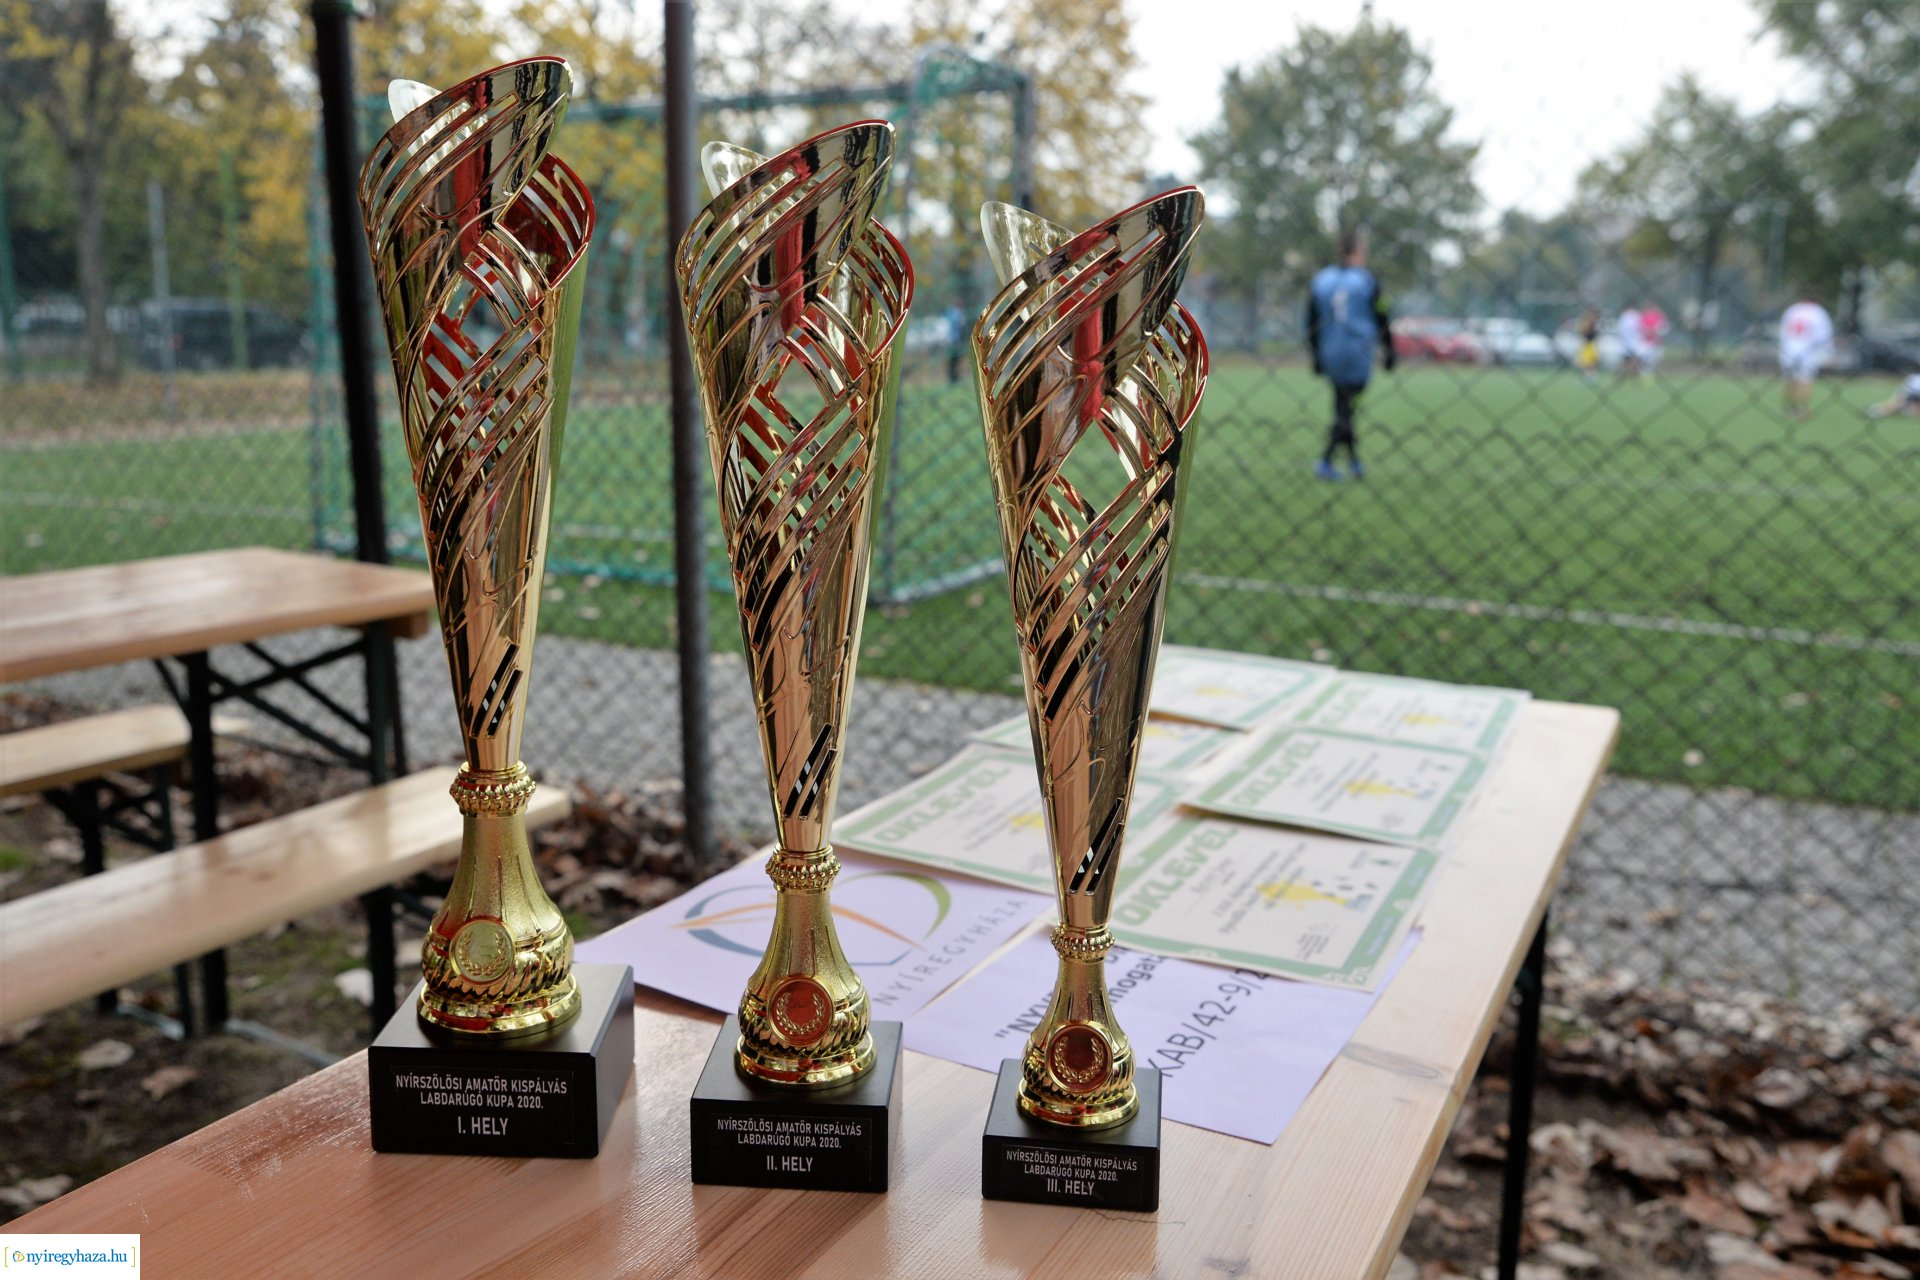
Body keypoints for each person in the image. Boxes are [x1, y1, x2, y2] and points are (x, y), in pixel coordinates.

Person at [1306, 228, 1395, 481]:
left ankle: (1354, 462)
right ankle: (1326, 461)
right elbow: (1382, 316)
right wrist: (1389, 350)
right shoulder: (1368, 280)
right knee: (1346, 409)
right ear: (1358, 251)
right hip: (1357, 353)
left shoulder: (1321, 280)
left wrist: (1316, 355)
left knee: (1343, 406)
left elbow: (1310, 321)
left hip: (1330, 352)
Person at [1777, 295, 1834, 420]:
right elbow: (1823, 334)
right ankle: (1801, 408)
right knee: (1805, 379)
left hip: (1788, 349)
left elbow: (1783, 330)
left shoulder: (1792, 310)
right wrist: (1827, 352)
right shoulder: (1818, 312)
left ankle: (1788, 407)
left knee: (1789, 379)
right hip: (1808, 350)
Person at [1637, 302, 1668, 376]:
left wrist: (1653, 331)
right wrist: (1649, 331)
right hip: (1645, 343)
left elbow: (1662, 329)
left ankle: (1649, 372)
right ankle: (1644, 372)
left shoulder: (1659, 316)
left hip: (1656, 343)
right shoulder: (1643, 316)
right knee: (1645, 359)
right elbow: (1641, 329)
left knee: (1653, 360)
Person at [1616, 305, 1643, 378]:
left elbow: (1620, 330)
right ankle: (1631, 374)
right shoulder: (1636, 315)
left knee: (1629, 361)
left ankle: (1630, 373)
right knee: (1631, 360)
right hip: (1633, 342)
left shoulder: (1625, 316)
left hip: (1629, 342)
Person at [1575, 306, 1601, 382]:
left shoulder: (1594, 324)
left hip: (1591, 344)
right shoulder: (1585, 323)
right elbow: (1582, 332)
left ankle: (1590, 375)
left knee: (1590, 362)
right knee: (1584, 361)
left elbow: (1595, 333)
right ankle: (1587, 375)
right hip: (1586, 344)